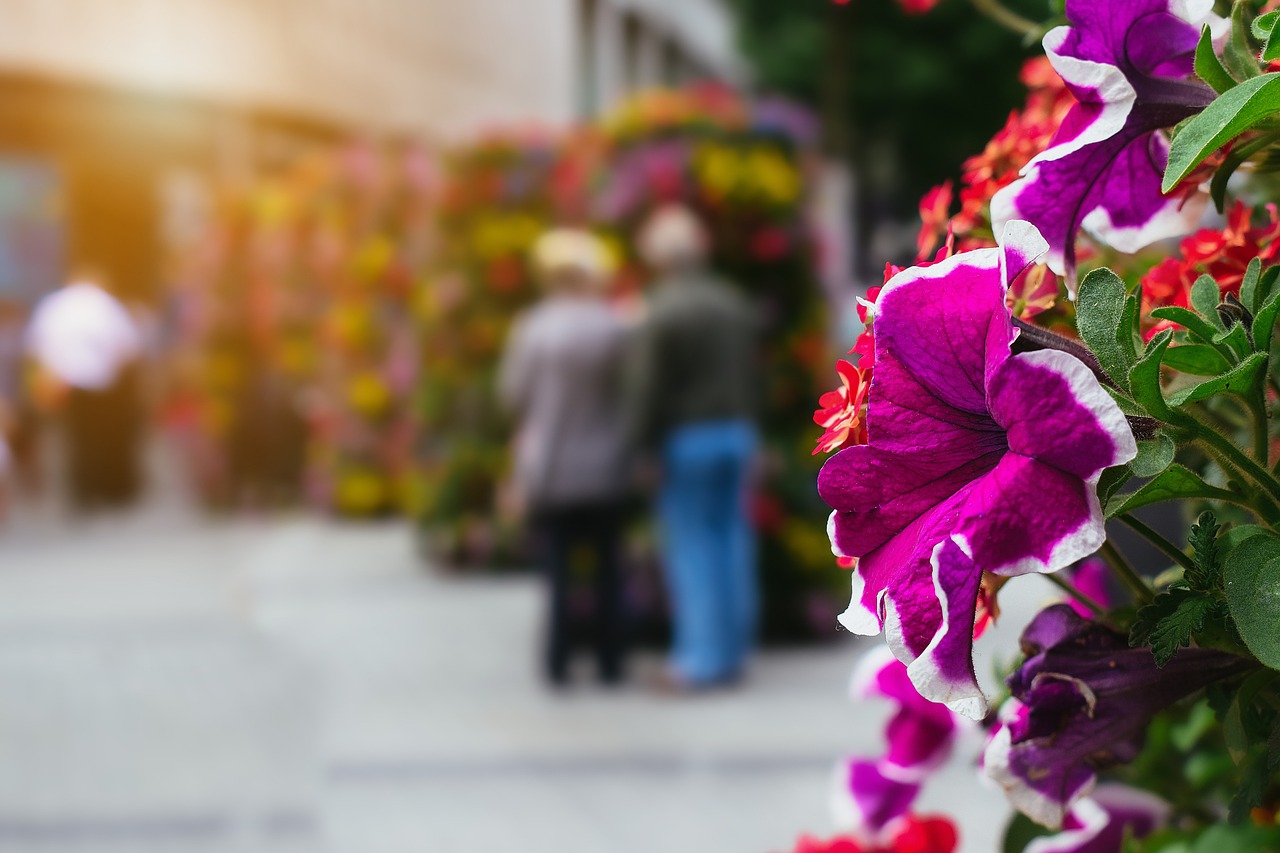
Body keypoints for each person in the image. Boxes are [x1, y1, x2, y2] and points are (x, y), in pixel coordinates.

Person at [628, 204, 760, 691]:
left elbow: (646, 390)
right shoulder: (731, 303)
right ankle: (731, 652)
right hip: (735, 432)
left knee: (692, 547)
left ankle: (699, 659)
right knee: (732, 540)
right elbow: (752, 375)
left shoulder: (660, 310)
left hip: (686, 439)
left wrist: (641, 449)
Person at [498, 229, 633, 687]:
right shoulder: (614, 325)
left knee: (557, 570)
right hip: (607, 463)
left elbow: (511, 394)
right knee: (609, 567)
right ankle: (611, 663)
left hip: (553, 464)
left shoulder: (533, 327)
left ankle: (557, 664)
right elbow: (630, 393)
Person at [25, 271, 145, 510]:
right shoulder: (106, 303)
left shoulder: (53, 304)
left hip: (65, 382)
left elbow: (34, 345)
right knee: (102, 437)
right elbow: (129, 346)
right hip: (103, 383)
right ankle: (106, 489)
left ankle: (82, 494)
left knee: (75, 439)